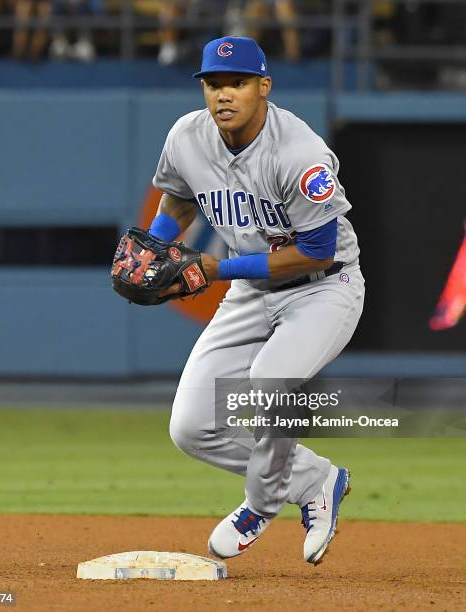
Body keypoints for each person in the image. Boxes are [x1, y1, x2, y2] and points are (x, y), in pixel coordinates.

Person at [150, 36, 364, 562]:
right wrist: (155, 248)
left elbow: (315, 252)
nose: (224, 94)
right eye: (214, 83)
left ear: (263, 86)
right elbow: (179, 198)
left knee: (271, 381)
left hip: (323, 289)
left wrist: (218, 269)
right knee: (192, 427)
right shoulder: (187, 136)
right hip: (252, 290)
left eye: (238, 83)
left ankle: (261, 503)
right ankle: (317, 479)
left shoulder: (300, 153)